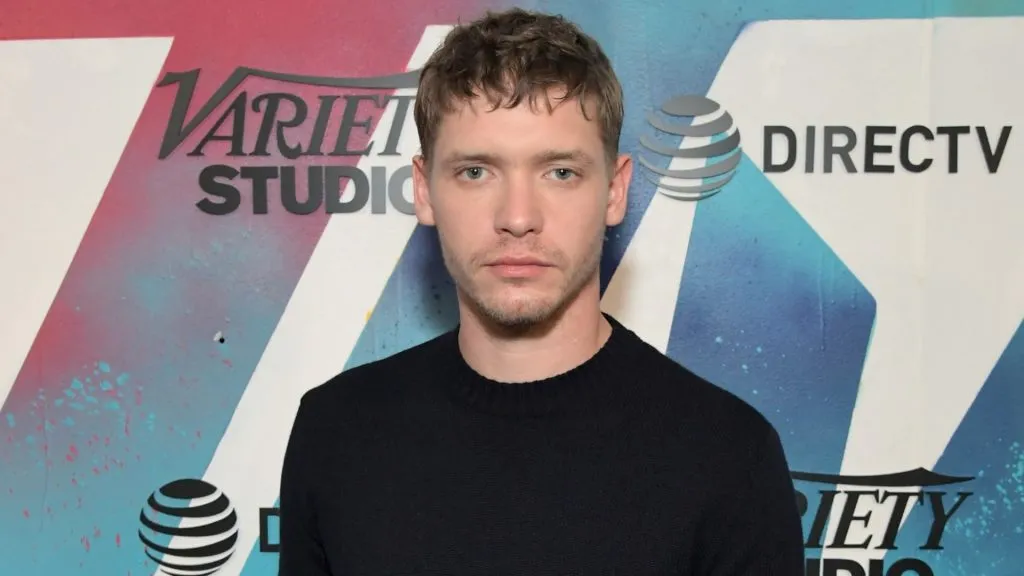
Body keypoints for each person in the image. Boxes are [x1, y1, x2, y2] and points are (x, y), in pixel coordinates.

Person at [279, 7, 805, 575]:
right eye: (476, 171)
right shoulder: (336, 433)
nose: (518, 217)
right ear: (424, 191)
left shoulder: (727, 456)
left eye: (559, 172)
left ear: (615, 191)